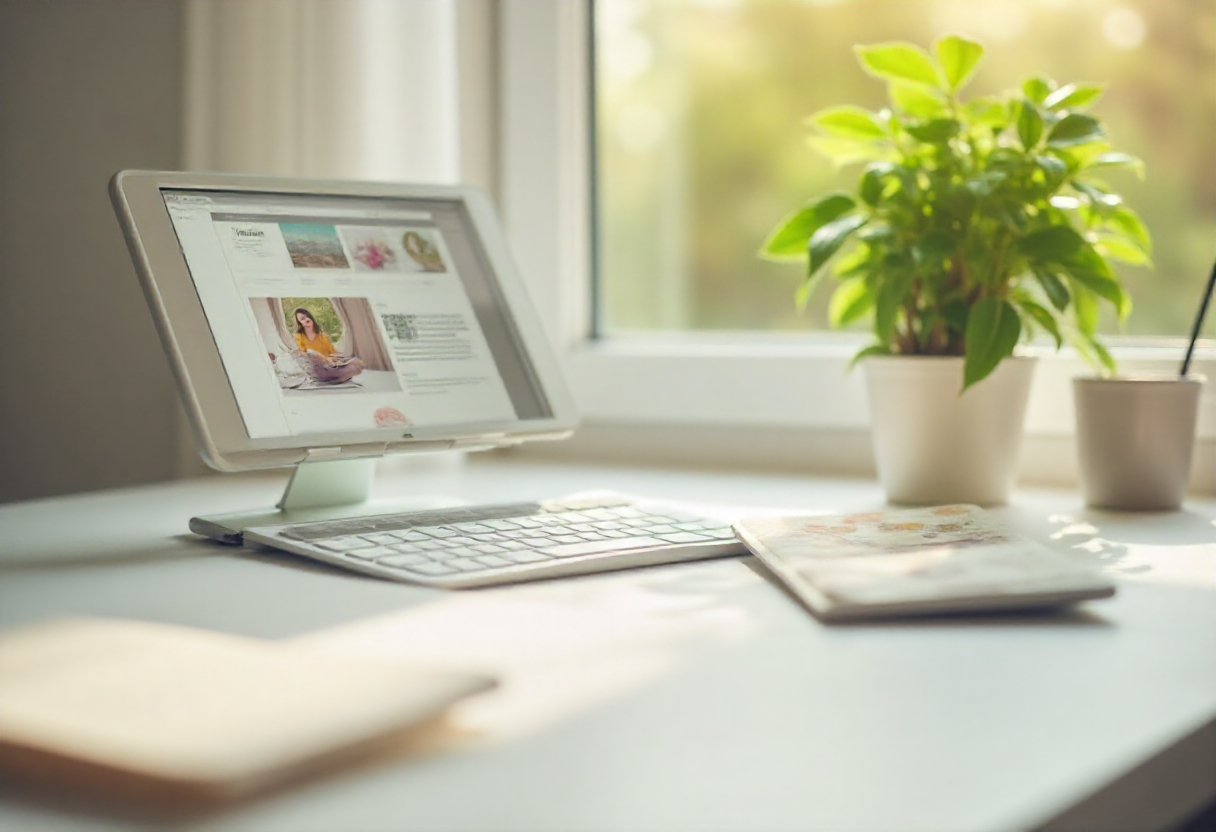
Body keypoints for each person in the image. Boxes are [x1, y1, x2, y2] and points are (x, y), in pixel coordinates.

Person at [291, 307, 364, 384]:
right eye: (302, 319)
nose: (306, 320)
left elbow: (333, 352)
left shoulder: (322, 336)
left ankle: (339, 376)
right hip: (317, 367)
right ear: (300, 323)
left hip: (329, 365)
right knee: (314, 356)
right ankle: (339, 376)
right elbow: (301, 353)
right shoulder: (299, 336)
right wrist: (319, 357)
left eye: (306, 316)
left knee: (358, 363)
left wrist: (337, 359)